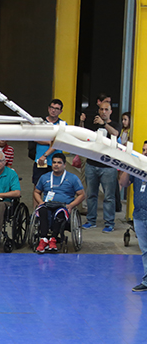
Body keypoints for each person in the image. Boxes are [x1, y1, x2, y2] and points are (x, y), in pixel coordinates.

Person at [79, 100, 120, 233]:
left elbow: (115, 134)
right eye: (101, 109)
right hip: (91, 164)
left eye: (106, 109)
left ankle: (109, 223)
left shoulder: (115, 124)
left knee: (109, 196)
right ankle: (91, 221)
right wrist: (82, 122)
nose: (103, 112)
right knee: (91, 195)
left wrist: (104, 124)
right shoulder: (93, 123)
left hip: (108, 166)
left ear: (110, 111)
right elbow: (82, 135)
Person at [32, 152, 84, 253]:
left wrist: (71, 205)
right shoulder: (44, 177)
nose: (56, 165)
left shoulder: (72, 178)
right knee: (42, 210)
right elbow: (36, 192)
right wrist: (40, 201)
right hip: (48, 204)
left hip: (63, 206)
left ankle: (53, 239)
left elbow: (81, 194)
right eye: (54, 162)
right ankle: (43, 239)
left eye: (59, 163)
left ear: (64, 165)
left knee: (60, 213)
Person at [119, 142, 147, 292]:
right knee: (145, 250)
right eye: (143, 150)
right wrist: (128, 166)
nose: (144, 153)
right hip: (139, 215)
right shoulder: (137, 169)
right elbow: (123, 183)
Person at [30, 99, 64, 185]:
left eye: (56, 108)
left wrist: (45, 155)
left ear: (60, 111)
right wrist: (50, 142)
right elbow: (34, 138)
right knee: (38, 185)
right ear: (48, 108)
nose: (53, 110)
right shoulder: (40, 122)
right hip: (40, 160)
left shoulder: (62, 125)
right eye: (52, 107)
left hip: (55, 161)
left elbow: (58, 143)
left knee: (55, 185)